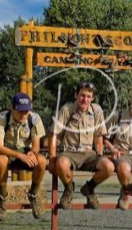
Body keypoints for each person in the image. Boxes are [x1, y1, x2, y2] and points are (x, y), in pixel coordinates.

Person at [47, 82, 114, 210]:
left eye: (89, 96)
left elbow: (99, 135)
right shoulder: (67, 109)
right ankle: (68, 189)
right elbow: (53, 134)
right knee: (61, 163)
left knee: (109, 166)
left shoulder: (96, 110)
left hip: (89, 154)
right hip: (69, 152)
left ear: (92, 98)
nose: (85, 99)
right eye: (82, 95)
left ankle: (89, 188)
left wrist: (99, 155)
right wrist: (52, 158)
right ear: (76, 95)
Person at [0, 92, 47, 221]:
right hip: (6, 151)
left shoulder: (34, 119)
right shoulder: (1, 118)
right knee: (1, 160)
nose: (23, 115)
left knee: (42, 161)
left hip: (24, 151)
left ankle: (33, 194)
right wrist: (20, 155)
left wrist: (32, 152)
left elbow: (36, 145)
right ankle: (2, 196)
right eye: (20, 111)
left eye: (26, 112)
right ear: (12, 108)